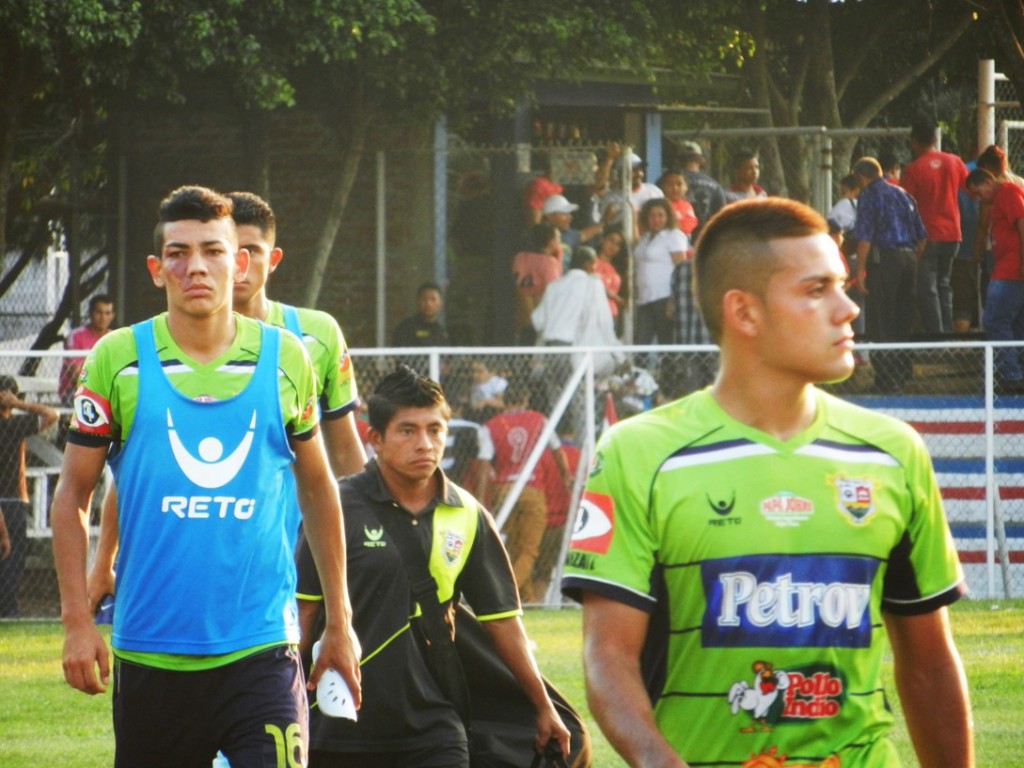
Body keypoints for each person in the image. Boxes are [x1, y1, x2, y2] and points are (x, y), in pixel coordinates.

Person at [562, 197, 973, 768]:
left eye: (843, 286)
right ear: (745, 313)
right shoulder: (639, 453)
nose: (848, 308)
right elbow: (607, 653)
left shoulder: (893, 453)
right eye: (816, 290)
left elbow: (928, 663)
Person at [51, 185, 361, 767]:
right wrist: (75, 622)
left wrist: (341, 622)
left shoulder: (288, 357)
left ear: (240, 262)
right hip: (150, 652)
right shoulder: (119, 359)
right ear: (155, 267)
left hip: (262, 648)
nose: (196, 266)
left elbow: (319, 489)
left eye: (213, 251)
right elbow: (72, 495)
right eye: (178, 251)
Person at [85, 190, 368, 613]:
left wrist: (369, 543)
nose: (237, 267)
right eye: (188, 252)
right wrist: (104, 557)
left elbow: (343, 453)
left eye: (251, 251)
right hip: (192, 569)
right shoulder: (141, 353)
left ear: (267, 260)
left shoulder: (312, 338)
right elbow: (139, 465)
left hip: (294, 549)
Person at [295, 366, 571, 767]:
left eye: (434, 430)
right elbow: (304, 612)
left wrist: (543, 705)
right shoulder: (335, 508)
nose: (424, 443)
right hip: (338, 725)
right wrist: (283, 703)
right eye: (408, 431)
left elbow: (503, 623)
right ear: (375, 440)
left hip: (434, 725)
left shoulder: (469, 515)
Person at [478, 379, 570, 604]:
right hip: (532, 488)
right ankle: (507, 595)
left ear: (504, 401)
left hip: (503, 489)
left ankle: (526, 599)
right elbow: (557, 450)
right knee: (529, 551)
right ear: (526, 399)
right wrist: (566, 476)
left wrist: (481, 498)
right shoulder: (539, 420)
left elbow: (484, 465)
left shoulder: (489, 426)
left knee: (513, 547)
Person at [852, 156, 928, 393]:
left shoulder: (869, 195)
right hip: (908, 257)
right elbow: (922, 236)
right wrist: (911, 257)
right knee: (903, 318)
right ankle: (904, 370)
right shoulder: (902, 193)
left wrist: (860, 271)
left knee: (881, 320)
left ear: (860, 177)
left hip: (884, 259)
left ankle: (886, 379)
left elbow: (865, 236)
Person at [900, 121, 969, 334]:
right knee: (944, 284)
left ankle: (937, 335)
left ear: (914, 141)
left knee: (927, 288)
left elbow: (906, 205)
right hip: (953, 234)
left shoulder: (913, 170)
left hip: (927, 236)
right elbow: (969, 189)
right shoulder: (954, 161)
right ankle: (948, 333)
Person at [0, 374, 58, 617]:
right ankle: (8, 609)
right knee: (11, 557)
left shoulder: (14, 425)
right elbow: (52, 415)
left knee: (11, 555)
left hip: (12, 499)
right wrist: (19, 405)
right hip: (9, 500)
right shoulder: (11, 425)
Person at [965, 167, 1024, 391]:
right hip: (1010, 267)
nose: (979, 199)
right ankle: (1016, 371)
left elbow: (1021, 221)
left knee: (995, 320)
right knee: (1016, 323)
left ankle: (1010, 374)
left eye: (978, 192)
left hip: (1010, 270)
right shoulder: (1002, 197)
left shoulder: (1007, 192)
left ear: (988, 181)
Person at [634, 198, 690, 347]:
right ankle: (640, 371)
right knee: (641, 342)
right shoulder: (645, 238)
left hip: (664, 297)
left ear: (668, 217)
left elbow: (681, 269)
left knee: (666, 341)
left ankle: (669, 371)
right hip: (644, 297)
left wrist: (674, 299)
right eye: (652, 215)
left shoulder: (674, 236)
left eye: (660, 215)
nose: (656, 219)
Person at [59, 294, 116, 404]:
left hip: (109, 390)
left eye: (107, 313)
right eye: (99, 312)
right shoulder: (75, 336)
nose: (103, 318)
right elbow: (77, 374)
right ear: (90, 313)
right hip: (76, 390)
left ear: (112, 316)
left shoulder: (116, 337)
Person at [513, 222, 563, 344]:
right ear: (550, 242)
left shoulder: (520, 256)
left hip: (519, 307)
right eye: (558, 239)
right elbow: (554, 289)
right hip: (539, 308)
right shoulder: (550, 263)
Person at [676, 140, 727, 240]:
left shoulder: (669, 181)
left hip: (678, 234)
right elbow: (722, 213)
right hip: (706, 235)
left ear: (678, 160)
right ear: (701, 160)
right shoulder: (714, 184)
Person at [392, 281, 452, 347]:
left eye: (433, 299)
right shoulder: (406, 328)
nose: (428, 304)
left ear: (440, 303)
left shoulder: (443, 332)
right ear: (417, 301)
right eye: (424, 299)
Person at [593, 226, 626, 321]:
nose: (613, 246)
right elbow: (596, 287)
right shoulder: (592, 262)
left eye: (618, 244)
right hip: (595, 314)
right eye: (611, 240)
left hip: (612, 315)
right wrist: (618, 299)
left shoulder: (615, 269)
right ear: (602, 240)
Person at [657, 169, 698, 237]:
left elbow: (691, 224)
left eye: (679, 184)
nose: (675, 188)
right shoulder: (660, 206)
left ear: (686, 187)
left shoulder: (687, 206)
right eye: (670, 184)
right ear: (662, 186)